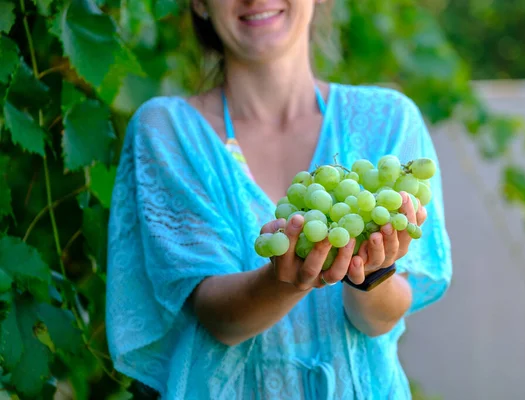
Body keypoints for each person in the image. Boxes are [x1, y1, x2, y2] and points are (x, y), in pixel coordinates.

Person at [105, 1, 453, 399]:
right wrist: (285, 282)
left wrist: (371, 274)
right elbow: (219, 321)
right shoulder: (167, 131)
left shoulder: (390, 119)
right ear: (199, 3)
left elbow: (378, 321)